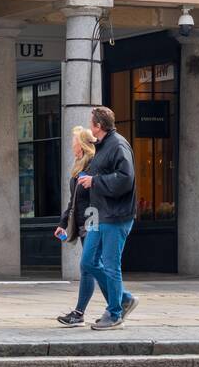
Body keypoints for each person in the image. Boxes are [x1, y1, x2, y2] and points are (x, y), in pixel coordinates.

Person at [78, 106, 139, 330]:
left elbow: (125, 179)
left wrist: (94, 181)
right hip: (97, 213)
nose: (88, 126)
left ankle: (114, 314)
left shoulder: (118, 145)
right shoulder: (101, 145)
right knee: (88, 261)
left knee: (112, 266)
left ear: (99, 126)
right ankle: (123, 298)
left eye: (90, 122)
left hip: (115, 215)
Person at [55, 126, 97, 327]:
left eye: (74, 142)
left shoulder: (93, 166)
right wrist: (63, 223)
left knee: (88, 266)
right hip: (81, 223)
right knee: (91, 267)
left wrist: (91, 224)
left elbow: (96, 198)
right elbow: (73, 201)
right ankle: (119, 302)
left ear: (81, 145)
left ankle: (120, 301)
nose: (71, 145)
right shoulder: (78, 166)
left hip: (92, 221)